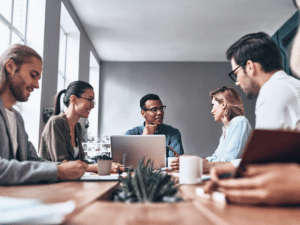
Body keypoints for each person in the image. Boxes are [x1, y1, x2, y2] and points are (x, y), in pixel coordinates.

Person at [204, 30, 300, 205]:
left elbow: (263, 163)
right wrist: (227, 166)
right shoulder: (288, 86)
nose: (237, 81)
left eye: (236, 73)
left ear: (250, 66)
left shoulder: (273, 90)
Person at [0, 44, 87, 185]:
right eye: (33, 75)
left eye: (38, 78)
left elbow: (31, 159)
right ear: (10, 66)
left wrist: (61, 167)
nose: (36, 85)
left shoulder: (17, 118)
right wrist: (58, 171)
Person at [39, 81, 123, 173]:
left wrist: (109, 165)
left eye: (93, 101)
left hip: (71, 182)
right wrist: (102, 167)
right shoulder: (55, 122)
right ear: (73, 99)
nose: (93, 106)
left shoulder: (77, 128)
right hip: (51, 184)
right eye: (90, 100)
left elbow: (82, 162)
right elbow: (63, 165)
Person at [125, 94, 184, 169]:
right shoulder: (131, 134)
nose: (160, 113)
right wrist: (143, 140)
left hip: (167, 177)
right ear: (143, 113)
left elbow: (176, 162)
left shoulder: (173, 133)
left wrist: (145, 162)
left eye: (161, 108)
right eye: (154, 109)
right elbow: (128, 163)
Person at [202, 86, 252, 173]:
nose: (212, 111)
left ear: (224, 104)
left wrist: (202, 164)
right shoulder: (228, 127)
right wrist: (197, 161)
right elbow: (217, 157)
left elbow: (229, 161)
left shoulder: (240, 122)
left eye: (213, 105)